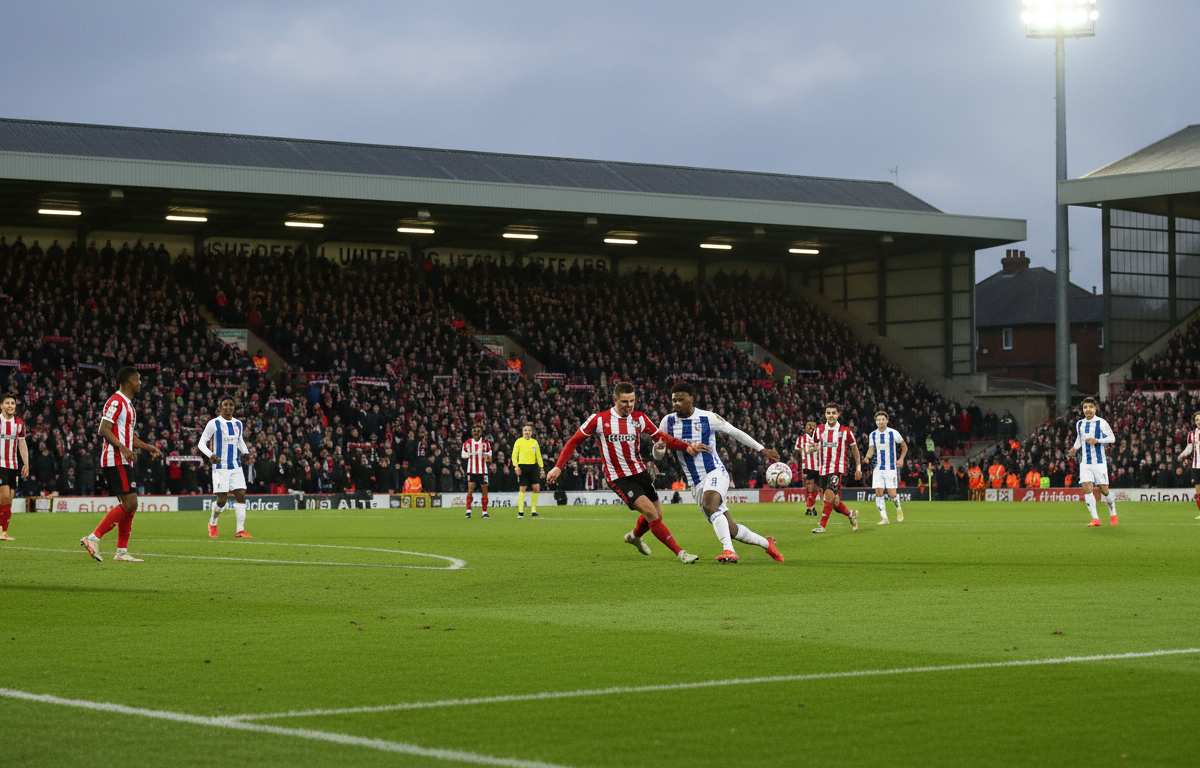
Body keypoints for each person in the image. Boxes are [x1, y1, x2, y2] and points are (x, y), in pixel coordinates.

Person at [546, 381, 708, 564]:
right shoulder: (599, 420)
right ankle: (681, 553)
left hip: (639, 472)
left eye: (632, 401)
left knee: (657, 515)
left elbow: (662, 437)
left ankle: (634, 537)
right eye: (624, 401)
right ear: (615, 400)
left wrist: (686, 446)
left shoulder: (639, 418)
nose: (629, 405)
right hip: (619, 477)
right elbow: (574, 441)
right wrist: (558, 466)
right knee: (651, 514)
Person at [652, 381, 784, 563]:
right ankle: (767, 543)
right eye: (674, 400)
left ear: (691, 399)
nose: (676, 404)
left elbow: (735, 432)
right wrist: (658, 449)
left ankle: (729, 551)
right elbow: (658, 455)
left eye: (680, 400)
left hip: (715, 472)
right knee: (731, 529)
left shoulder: (707, 417)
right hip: (695, 482)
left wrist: (761, 449)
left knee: (710, 505)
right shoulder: (668, 421)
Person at [80, 368, 163, 563]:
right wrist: (123, 448)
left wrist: (148, 447)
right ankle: (93, 538)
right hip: (115, 458)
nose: (140, 383)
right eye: (137, 379)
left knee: (130, 506)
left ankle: (121, 552)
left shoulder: (129, 405)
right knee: (131, 503)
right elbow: (103, 429)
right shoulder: (116, 401)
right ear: (127, 382)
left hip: (123, 458)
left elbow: (128, 436)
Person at [197, 396, 252, 538]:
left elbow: (240, 440)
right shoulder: (214, 423)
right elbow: (201, 443)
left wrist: (246, 452)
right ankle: (212, 522)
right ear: (221, 407)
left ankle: (240, 530)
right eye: (226, 404)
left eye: (231, 405)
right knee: (222, 501)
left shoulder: (238, 423)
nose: (228, 407)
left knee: (241, 495)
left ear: (234, 407)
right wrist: (211, 455)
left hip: (236, 465)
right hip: (220, 466)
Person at [804, 403, 862, 533]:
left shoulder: (845, 431)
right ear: (825, 415)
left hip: (837, 468)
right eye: (828, 413)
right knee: (835, 503)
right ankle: (851, 514)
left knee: (829, 495)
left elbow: (855, 450)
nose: (831, 416)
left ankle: (822, 526)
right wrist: (809, 449)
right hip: (823, 470)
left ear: (838, 414)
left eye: (834, 413)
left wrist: (858, 467)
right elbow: (813, 446)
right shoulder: (819, 430)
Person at [1067, 397, 1117, 527]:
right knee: (1087, 488)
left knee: (1104, 491)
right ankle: (1095, 518)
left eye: (1090, 407)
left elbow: (1112, 438)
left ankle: (1112, 511)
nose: (1087, 409)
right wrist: (1074, 448)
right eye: (1085, 407)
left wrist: (1098, 440)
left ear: (1095, 409)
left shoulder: (1101, 423)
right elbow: (1080, 439)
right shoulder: (1080, 424)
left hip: (1099, 462)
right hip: (1085, 462)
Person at [863, 411, 907, 524]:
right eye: (878, 420)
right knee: (878, 493)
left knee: (892, 495)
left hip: (891, 468)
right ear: (876, 422)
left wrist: (901, 459)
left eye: (883, 420)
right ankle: (884, 518)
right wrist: (867, 457)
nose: (881, 422)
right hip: (878, 468)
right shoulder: (873, 435)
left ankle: (898, 507)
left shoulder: (893, 433)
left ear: (887, 420)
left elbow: (904, 446)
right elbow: (871, 449)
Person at [0, 394, 30, 540]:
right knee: (4, 496)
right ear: (1, 405)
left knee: (9, 500)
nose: (10, 406)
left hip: (13, 465)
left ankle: (3, 531)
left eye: (12, 403)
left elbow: (22, 444)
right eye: (7, 403)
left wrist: (26, 463)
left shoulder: (19, 423)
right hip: (0, 464)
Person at [512, 423, 543, 518]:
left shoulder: (534, 442)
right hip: (522, 466)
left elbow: (538, 455)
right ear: (522, 432)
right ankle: (521, 511)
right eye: (525, 430)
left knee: (536, 487)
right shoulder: (519, 441)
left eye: (529, 430)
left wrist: (541, 467)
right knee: (522, 488)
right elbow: (514, 455)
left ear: (531, 432)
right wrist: (516, 466)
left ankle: (533, 510)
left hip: (533, 466)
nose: (527, 432)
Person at [461, 425, 491, 519]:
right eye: (474, 431)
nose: (476, 433)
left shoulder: (486, 444)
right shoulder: (467, 443)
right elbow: (463, 455)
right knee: (470, 490)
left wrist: (485, 455)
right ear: (472, 432)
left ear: (481, 432)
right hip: (472, 470)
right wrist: (472, 453)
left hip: (483, 471)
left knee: (484, 491)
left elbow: (489, 458)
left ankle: (484, 512)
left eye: (478, 431)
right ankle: (468, 511)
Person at [1175, 411, 1200, 519]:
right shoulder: (1192, 434)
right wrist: (1182, 455)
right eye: (1197, 420)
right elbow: (1189, 448)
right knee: (1198, 491)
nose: (1199, 421)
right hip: (1196, 466)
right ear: (1194, 422)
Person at [794, 420, 820, 515]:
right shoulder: (801, 439)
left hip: (818, 466)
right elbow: (797, 451)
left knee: (816, 487)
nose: (810, 428)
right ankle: (809, 507)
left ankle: (811, 505)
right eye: (808, 426)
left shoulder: (820, 439)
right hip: (807, 466)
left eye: (812, 426)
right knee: (809, 486)